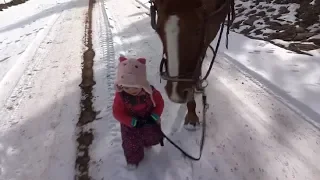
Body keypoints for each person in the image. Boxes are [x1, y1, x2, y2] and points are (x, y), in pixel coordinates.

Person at [112, 55, 165, 170]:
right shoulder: (120, 96)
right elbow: (117, 112)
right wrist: (131, 121)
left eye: (135, 88)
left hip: (148, 119)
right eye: (126, 88)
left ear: (142, 84)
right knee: (131, 143)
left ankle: (147, 144)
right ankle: (133, 159)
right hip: (131, 125)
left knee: (150, 135)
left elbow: (160, 103)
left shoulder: (151, 93)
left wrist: (155, 115)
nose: (130, 91)